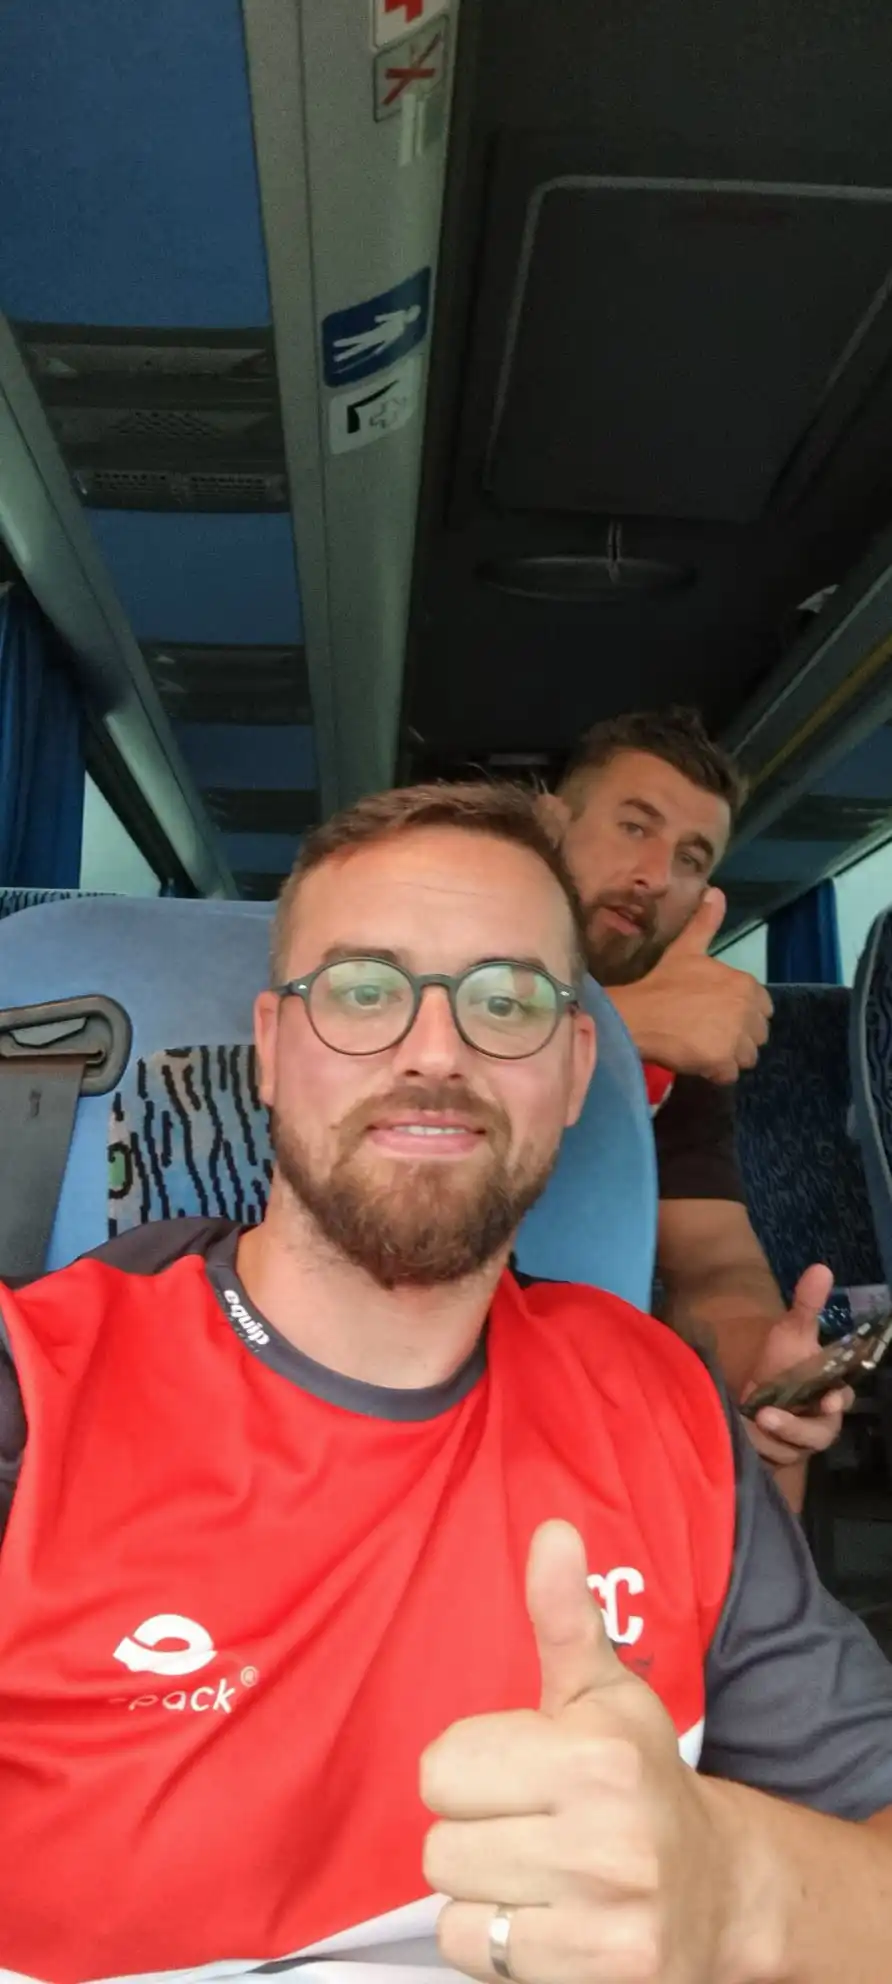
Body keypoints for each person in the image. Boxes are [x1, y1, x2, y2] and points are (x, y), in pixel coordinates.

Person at [0, 780, 890, 1984]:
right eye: (363, 990)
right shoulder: (34, 1386)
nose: (435, 1050)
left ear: (574, 1071)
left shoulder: (658, 1400)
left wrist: (741, 1888)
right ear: (271, 1050)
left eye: (506, 999)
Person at [546, 708, 849, 1510]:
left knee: (770, 1442)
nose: (655, 875)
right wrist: (621, 1025)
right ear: (551, 824)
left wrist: (763, 1364)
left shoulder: (684, 1051)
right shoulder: (441, 939)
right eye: (634, 826)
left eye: (690, 859)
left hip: (575, 1359)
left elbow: (712, 1256)